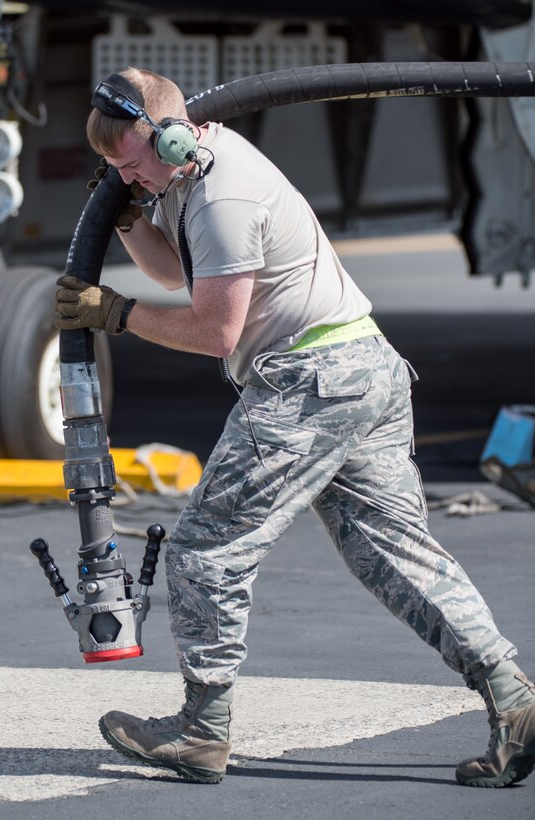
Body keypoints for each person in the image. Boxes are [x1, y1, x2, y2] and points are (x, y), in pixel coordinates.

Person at [55, 67, 535, 787]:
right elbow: (172, 274)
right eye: (115, 171)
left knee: (206, 550)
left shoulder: (224, 193)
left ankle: (201, 730)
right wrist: (126, 217)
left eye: (132, 165)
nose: (128, 178)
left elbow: (217, 331)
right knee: (395, 556)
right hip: (362, 367)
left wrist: (114, 316)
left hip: (312, 382)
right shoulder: (186, 175)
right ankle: (516, 700)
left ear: (174, 136)